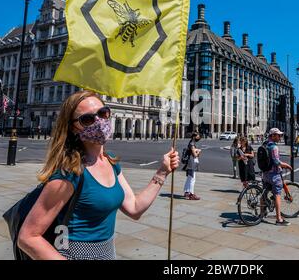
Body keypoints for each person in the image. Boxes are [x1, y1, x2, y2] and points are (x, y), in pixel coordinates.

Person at [17, 91, 179, 260]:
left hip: (107, 253)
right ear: (73, 127)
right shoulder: (70, 174)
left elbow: (134, 208)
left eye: (103, 113)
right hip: (74, 254)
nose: (99, 122)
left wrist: (163, 171)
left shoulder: (111, 163)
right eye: (87, 119)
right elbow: (28, 237)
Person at [262, 128, 293, 226]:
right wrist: (286, 165)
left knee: (264, 193)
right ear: (273, 135)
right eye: (278, 135)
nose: (280, 137)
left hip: (265, 173)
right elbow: (276, 162)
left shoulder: (265, 144)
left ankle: (261, 214)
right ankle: (279, 219)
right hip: (274, 174)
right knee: (277, 195)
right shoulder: (274, 147)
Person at [183, 132, 202, 200]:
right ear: (194, 137)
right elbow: (195, 155)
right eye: (198, 136)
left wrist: (196, 151)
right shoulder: (192, 144)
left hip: (190, 162)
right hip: (191, 162)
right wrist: (199, 151)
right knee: (192, 179)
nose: (199, 138)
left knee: (189, 178)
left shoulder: (191, 143)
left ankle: (186, 192)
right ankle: (191, 194)